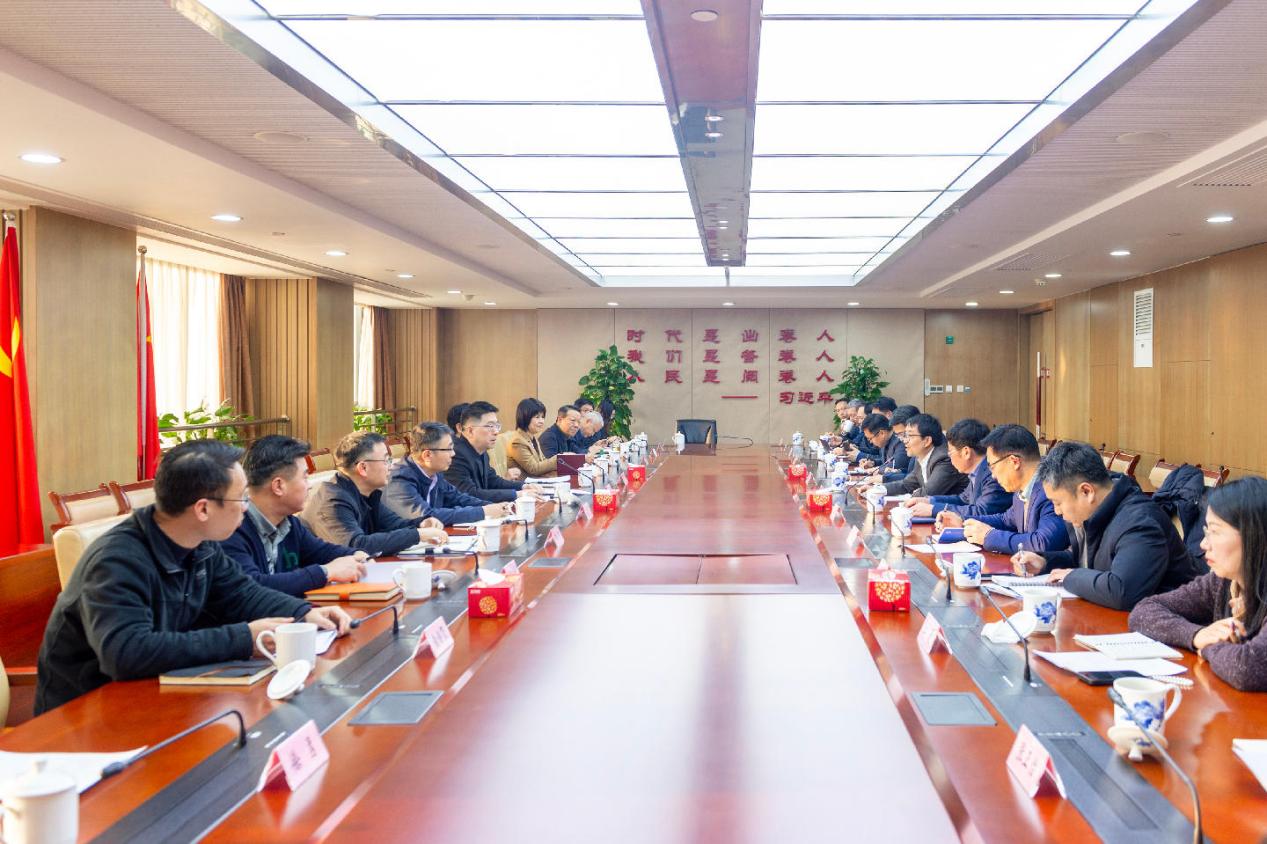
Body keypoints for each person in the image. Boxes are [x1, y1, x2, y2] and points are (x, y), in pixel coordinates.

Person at [35, 440, 351, 714]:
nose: (246, 508)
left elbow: (243, 593)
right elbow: (126, 652)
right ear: (202, 509)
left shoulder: (200, 545)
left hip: (160, 695)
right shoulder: (117, 560)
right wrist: (243, 638)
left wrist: (304, 613)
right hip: (87, 714)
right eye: (241, 498)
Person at [1006, 442, 1199, 610]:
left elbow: (1122, 591)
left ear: (1086, 491)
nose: (1057, 511)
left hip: (1170, 627)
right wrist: (1045, 562)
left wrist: (1071, 577)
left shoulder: (1140, 523)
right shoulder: (1095, 511)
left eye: (1058, 503)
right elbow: (1086, 562)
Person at [1129, 476, 1267, 691]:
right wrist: (1196, 635)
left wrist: (1210, 646)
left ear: (1255, 536)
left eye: (1215, 531)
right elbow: (1143, 612)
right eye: (1206, 531)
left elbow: (1248, 668)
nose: (1203, 544)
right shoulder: (1223, 582)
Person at [222, 435, 371, 597]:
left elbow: (322, 551)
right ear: (279, 486)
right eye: (305, 477)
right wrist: (326, 572)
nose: (309, 485)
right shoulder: (231, 529)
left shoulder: (289, 523)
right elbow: (253, 587)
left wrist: (356, 555)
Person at [302, 431, 449, 555]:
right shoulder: (332, 501)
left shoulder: (368, 493)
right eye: (386, 460)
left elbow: (394, 524)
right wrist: (418, 535)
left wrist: (422, 523)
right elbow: (357, 546)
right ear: (363, 468)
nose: (390, 466)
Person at [939, 424, 1068, 555]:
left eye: (992, 466)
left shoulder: (1050, 488)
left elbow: (1043, 543)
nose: (993, 476)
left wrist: (989, 536)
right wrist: (963, 522)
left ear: (1014, 462)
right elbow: (1005, 520)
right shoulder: (1023, 487)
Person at [386, 422, 514, 525]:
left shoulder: (435, 474)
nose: (453, 454)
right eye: (448, 449)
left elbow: (459, 498)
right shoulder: (400, 480)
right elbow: (427, 516)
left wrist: (494, 507)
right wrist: (483, 512)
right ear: (427, 455)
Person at [909, 419, 1012, 520]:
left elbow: (982, 511)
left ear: (966, 452)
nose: (949, 456)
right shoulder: (978, 471)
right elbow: (963, 499)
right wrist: (930, 501)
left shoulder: (993, 474)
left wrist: (933, 509)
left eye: (950, 452)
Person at [447, 401, 538, 503]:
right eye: (490, 426)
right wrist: (517, 494)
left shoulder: (482, 451)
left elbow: (493, 481)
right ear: (470, 431)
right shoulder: (456, 455)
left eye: (496, 425)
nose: (496, 432)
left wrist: (523, 486)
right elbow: (470, 494)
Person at [871, 413, 967, 497]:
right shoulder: (922, 456)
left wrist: (914, 494)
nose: (905, 441)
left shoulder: (944, 459)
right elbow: (907, 484)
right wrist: (880, 489)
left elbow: (929, 493)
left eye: (909, 436)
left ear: (927, 440)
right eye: (904, 436)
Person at [857, 413, 909, 479]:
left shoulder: (900, 440)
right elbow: (885, 460)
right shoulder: (884, 441)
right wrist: (873, 463)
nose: (870, 442)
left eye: (870, 438)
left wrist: (878, 469)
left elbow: (896, 465)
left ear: (882, 433)